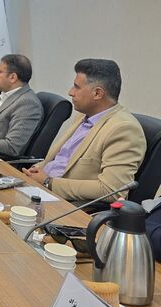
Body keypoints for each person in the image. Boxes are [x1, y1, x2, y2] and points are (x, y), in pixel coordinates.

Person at [23, 59, 145, 202]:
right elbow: (61, 159)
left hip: (64, 203)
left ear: (97, 93)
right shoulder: (84, 115)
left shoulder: (124, 129)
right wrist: (38, 169)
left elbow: (112, 190)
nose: (70, 92)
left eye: (77, 87)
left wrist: (48, 182)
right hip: (39, 188)